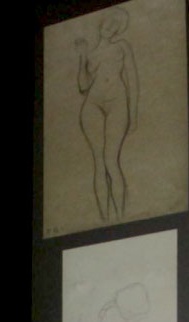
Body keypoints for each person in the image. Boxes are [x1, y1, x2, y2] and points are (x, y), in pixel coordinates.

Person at [75, 6, 139, 220]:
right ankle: (104, 221)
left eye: (117, 25)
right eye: (110, 22)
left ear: (119, 30)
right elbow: (83, 86)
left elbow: (133, 80)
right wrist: (83, 56)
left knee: (111, 160)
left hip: (117, 103)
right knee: (99, 162)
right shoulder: (92, 54)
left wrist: (133, 114)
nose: (112, 27)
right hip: (92, 105)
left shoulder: (122, 46)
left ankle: (120, 219)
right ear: (102, 23)